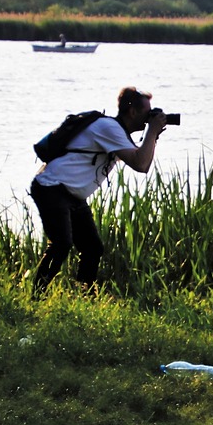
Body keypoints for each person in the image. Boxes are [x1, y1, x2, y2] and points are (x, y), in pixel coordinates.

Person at [30, 86, 168, 297]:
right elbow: (140, 163)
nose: (149, 118)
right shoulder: (108, 128)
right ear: (132, 112)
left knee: (93, 248)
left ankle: (86, 296)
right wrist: (152, 131)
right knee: (62, 243)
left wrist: (154, 134)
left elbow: (143, 164)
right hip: (52, 187)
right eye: (147, 114)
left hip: (70, 194)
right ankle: (37, 296)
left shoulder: (118, 133)